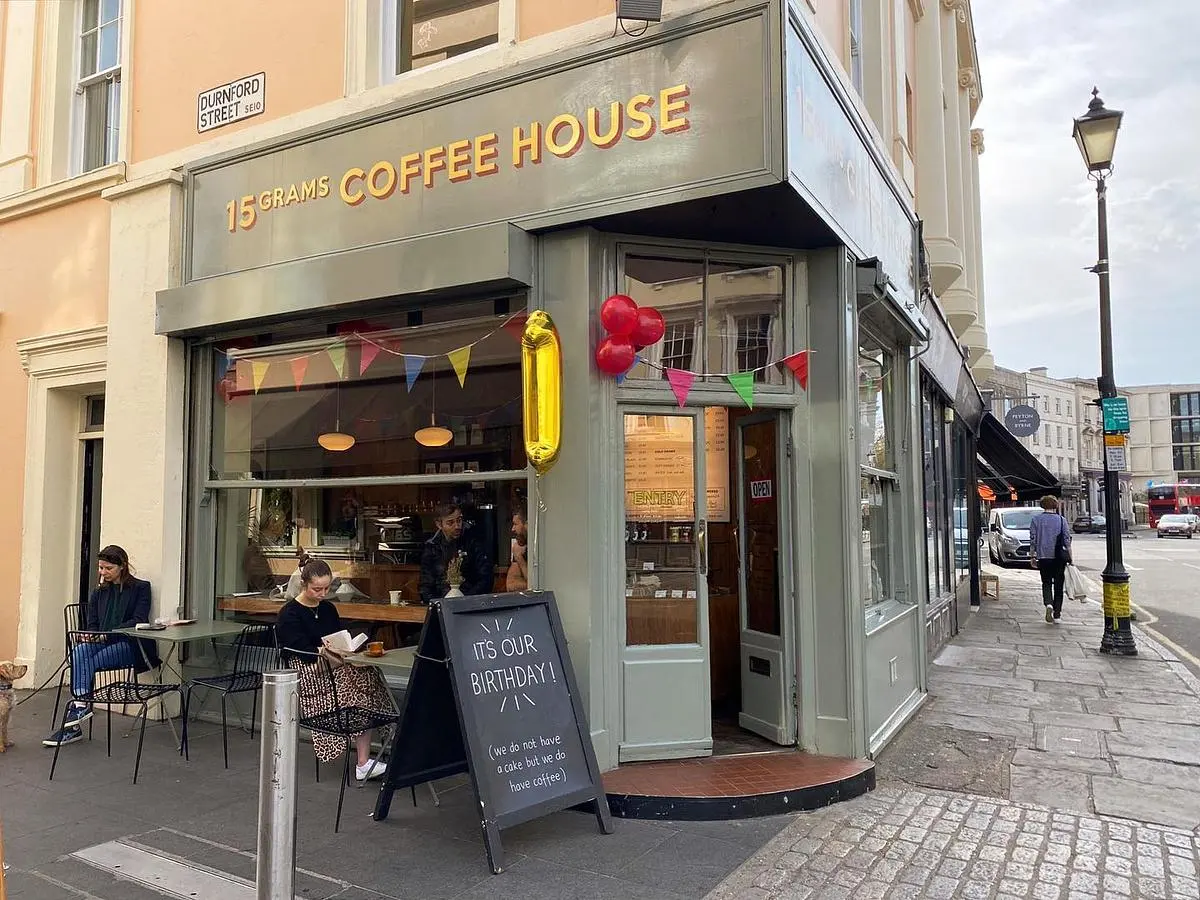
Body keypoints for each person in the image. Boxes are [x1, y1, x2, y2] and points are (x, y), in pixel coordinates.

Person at [275, 558, 393, 781]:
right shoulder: (289, 613)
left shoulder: (328, 608)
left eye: (327, 588)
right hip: (310, 672)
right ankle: (364, 762)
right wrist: (327, 650)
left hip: (334, 664)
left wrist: (348, 648)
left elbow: (338, 635)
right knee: (360, 684)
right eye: (317, 589)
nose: (322, 594)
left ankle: (378, 749)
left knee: (370, 674)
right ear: (304, 584)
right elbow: (300, 651)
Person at [43, 545, 161, 748]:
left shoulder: (141, 588)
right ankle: (81, 705)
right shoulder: (98, 592)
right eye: (100, 568)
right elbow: (93, 624)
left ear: (122, 566)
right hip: (102, 642)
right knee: (80, 650)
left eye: (108, 568)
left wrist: (106, 635)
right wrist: (92, 636)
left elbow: (138, 620)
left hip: (131, 644)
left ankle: (75, 721)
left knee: (87, 661)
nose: (103, 572)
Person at [419, 502, 493, 602]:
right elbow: (426, 585)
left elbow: (485, 580)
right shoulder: (432, 547)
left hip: (470, 601)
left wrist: (465, 600)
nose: (457, 526)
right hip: (441, 602)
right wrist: (437, 604)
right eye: (450, 523)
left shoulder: (473, 541)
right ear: (439, 524)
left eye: (459, 520)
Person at [1029, 495, 1072, 623]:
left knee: (1046, 582)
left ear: (1043, 505)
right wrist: (1071, 558)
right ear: (1055, 505)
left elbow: (1033, 539)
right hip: (1059, 557)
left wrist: (1032, 556)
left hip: (1043, 556)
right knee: (1059, 585)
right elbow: (1067, 540)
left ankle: (1048, 603)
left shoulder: (1036, 520)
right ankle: (1057, 615)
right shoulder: (1061, 520)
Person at [506, 506, 528, 592]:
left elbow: (538, 586)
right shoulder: (520, 546)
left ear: (526, 524)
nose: (512, 529)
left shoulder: (540, 548)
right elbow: (511, 585)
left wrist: (520, 558)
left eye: (515, 524)